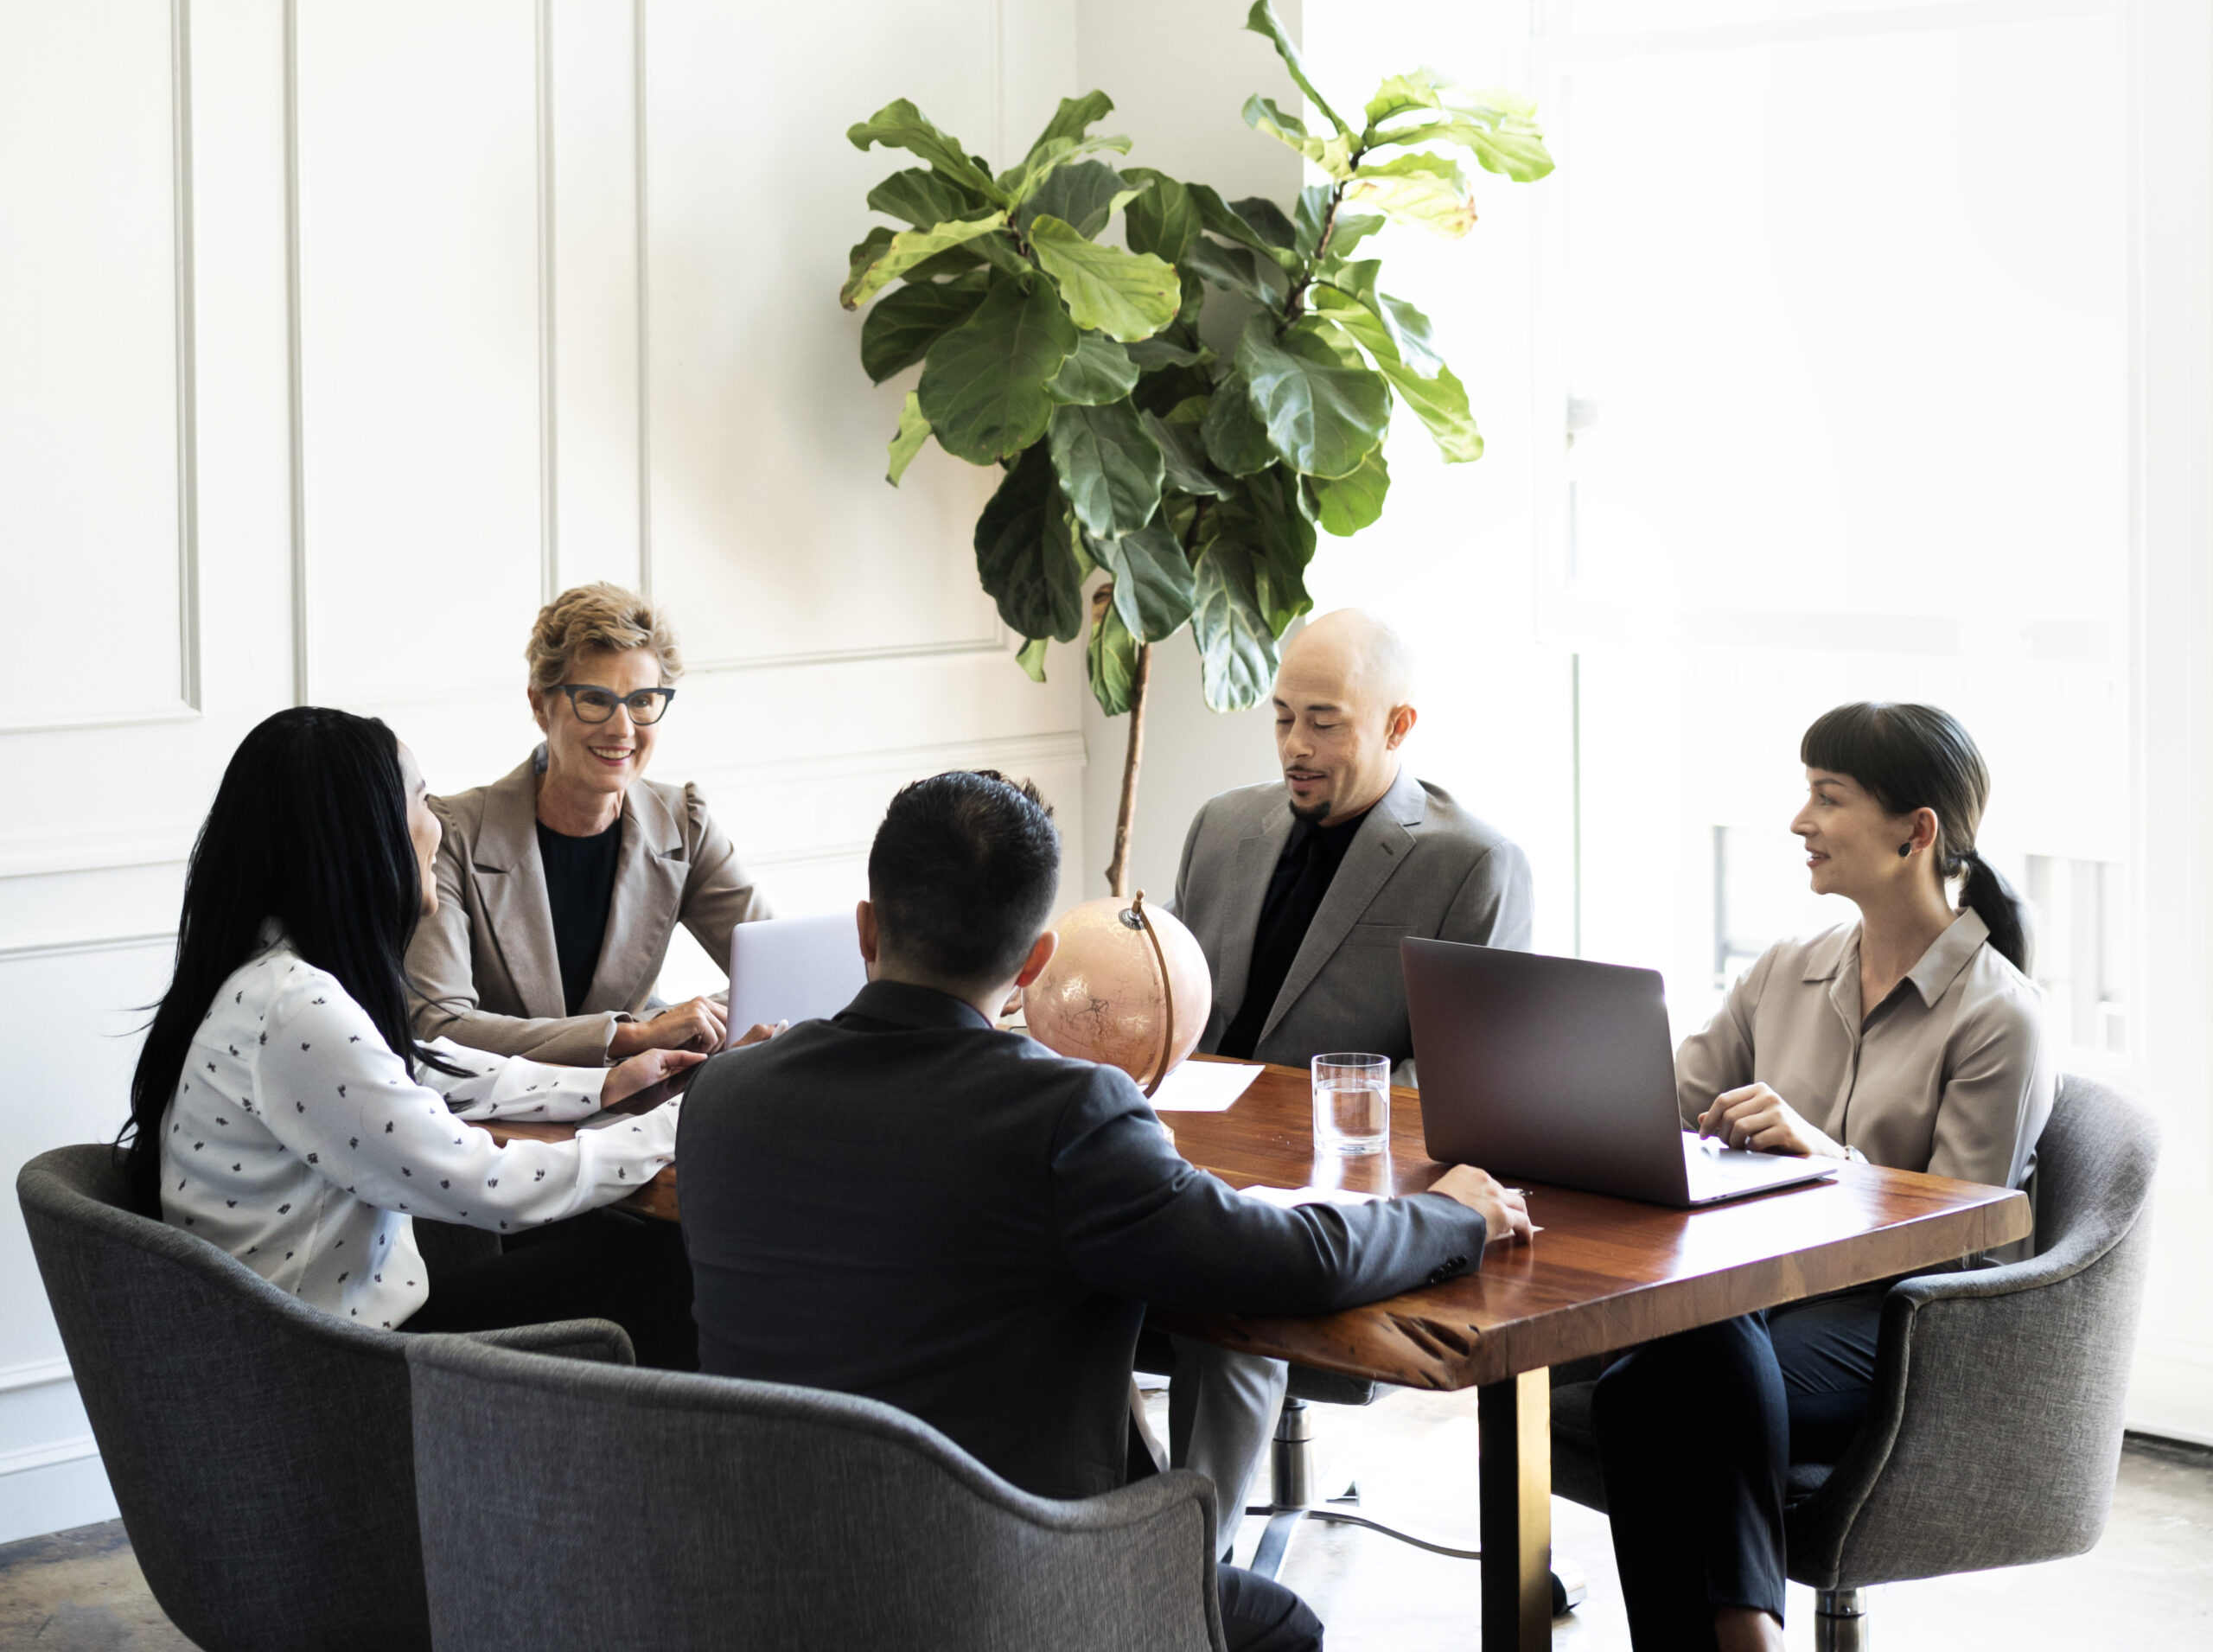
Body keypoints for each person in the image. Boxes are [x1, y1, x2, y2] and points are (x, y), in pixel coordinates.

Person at [676, 770, 1534, 1652]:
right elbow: (1290, 1260)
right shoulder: (1063, 1113)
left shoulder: (723, 1093)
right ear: (1037, 961)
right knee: (1276, 1624)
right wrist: (1452, 1213)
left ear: (867, 927)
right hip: (999, 1590)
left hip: (761, 1581)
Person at [1592, 701, 2055, 1652]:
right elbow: (1663, 1106)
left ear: (1913, 833)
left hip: (1905, 1318)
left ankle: (1745, 1627)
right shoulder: (1783, 971)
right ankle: (1745, 1627)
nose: (1799, 821)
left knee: (1656, 1374)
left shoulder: (1999, 1017)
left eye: (1826, 797)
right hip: (1760, 1304)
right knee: (1658, 1361)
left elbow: (1968, 1228)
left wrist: (1829, 1160)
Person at [121, 708, 710, 1367]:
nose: (439, 823)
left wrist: (606, 1086)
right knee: (669, 1261)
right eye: (423, 798)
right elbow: (490, 1184)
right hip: (337, 1368)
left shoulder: (270, 975)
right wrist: (677, 1125)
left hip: (306, 1340)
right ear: (364, 835)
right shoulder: (294, 1010)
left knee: (624, 1249)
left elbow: (425, 1070)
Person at [1165, 607, 1536, 1549]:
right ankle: (1087, 1538)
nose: (1295, 745)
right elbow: (1171, 1007)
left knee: (1231, 1294)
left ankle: (1185, 1579)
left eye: (1324, 721)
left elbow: (1465, 1083)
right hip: (1178, 1154)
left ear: (1398, 726)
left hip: (1336, 1186)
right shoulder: (1222, 825)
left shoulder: (1471, 863)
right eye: (1282, 716)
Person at [405, 583, 774, 1067]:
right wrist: (631, 1036)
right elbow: (440, 1025)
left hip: (640, 1113)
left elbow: (778, 974)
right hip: (505, 1123)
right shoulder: (453, 832)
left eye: (643, 701)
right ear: (540, 705)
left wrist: (689, 1023)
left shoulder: (684, 822)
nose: (623, 729)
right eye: (596, 700)